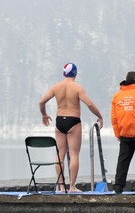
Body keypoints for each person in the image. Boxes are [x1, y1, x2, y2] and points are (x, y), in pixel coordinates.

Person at [39, 63, 103, 192]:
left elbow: (41, 101)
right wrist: (100, 116)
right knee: (74, 154)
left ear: (64, 73)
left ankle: (62, 187)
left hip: (59, 121)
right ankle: (72, 186)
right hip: (73, 121)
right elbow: (89, 104)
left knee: (60, 154)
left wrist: (44, 114)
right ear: (75, 73)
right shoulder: (77, 88)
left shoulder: (56, 87)